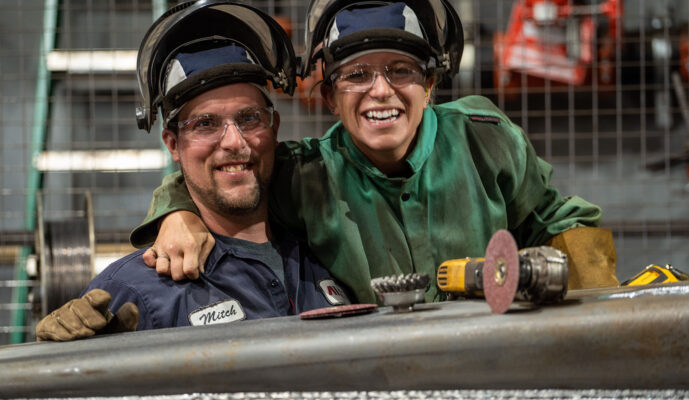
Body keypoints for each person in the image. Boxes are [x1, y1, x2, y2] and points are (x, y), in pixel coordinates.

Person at [131, 0, 619, 306]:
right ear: (329, 99)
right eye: (357, 75)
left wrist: (594, 308)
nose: (380, 91)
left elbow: (557, 220)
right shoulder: (306, 176)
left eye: (401, 70)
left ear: (430, 85)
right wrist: (177, 214)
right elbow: (229, 169)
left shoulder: (483, 138)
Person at [35, 1, 349, 342]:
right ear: (172, 144)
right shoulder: (134, 295)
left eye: (249, 118)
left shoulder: (331, 250)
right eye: (205, 123)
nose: (234, 142)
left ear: (273, 127)